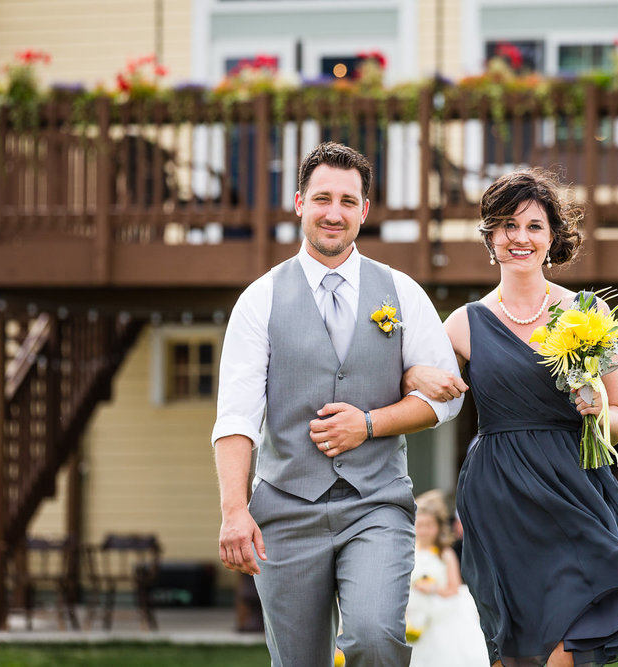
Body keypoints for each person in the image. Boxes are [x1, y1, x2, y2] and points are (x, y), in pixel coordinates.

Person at [404, 169, 618, 666]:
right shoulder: (462, 323)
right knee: (511, 643)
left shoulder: (587, 313)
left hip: (574, 489)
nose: (520, 238)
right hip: (498, 494)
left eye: (534, 226)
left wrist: (597, 410)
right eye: (507, 225)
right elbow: (426, 395)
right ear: (491, 236)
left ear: (552, 238)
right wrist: (415, 373)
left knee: (573, 634)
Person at [212, 142, 467, 667]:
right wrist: (235, 510)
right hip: (284, 509)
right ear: (300, 202)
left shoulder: (401, 292)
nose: (335, 213)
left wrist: (371, 424)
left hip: (376, 504)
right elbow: (236, 417)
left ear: (365, 211)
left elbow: (443, 400)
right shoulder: (259, 299)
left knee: (374, 638)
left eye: (348, 201)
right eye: (323, 198)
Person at [406, 490, 490, 667]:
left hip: (440, 616)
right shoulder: (408, 553)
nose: (424, 530)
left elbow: (454, 588)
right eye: (420, 525)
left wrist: (433, 589)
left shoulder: (445, 555)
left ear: (438, 527)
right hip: (413, 615)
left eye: (429, 525)